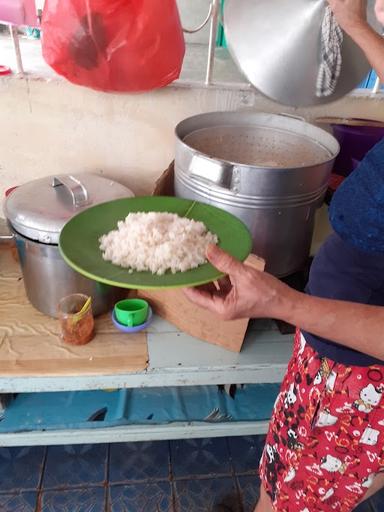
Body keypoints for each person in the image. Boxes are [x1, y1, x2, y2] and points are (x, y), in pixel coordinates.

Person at [184, 1, 384, 511]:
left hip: (360, 376)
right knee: (284, 468)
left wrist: (282, 302)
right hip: (326, 336)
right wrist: (356, 25)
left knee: (306, 494)